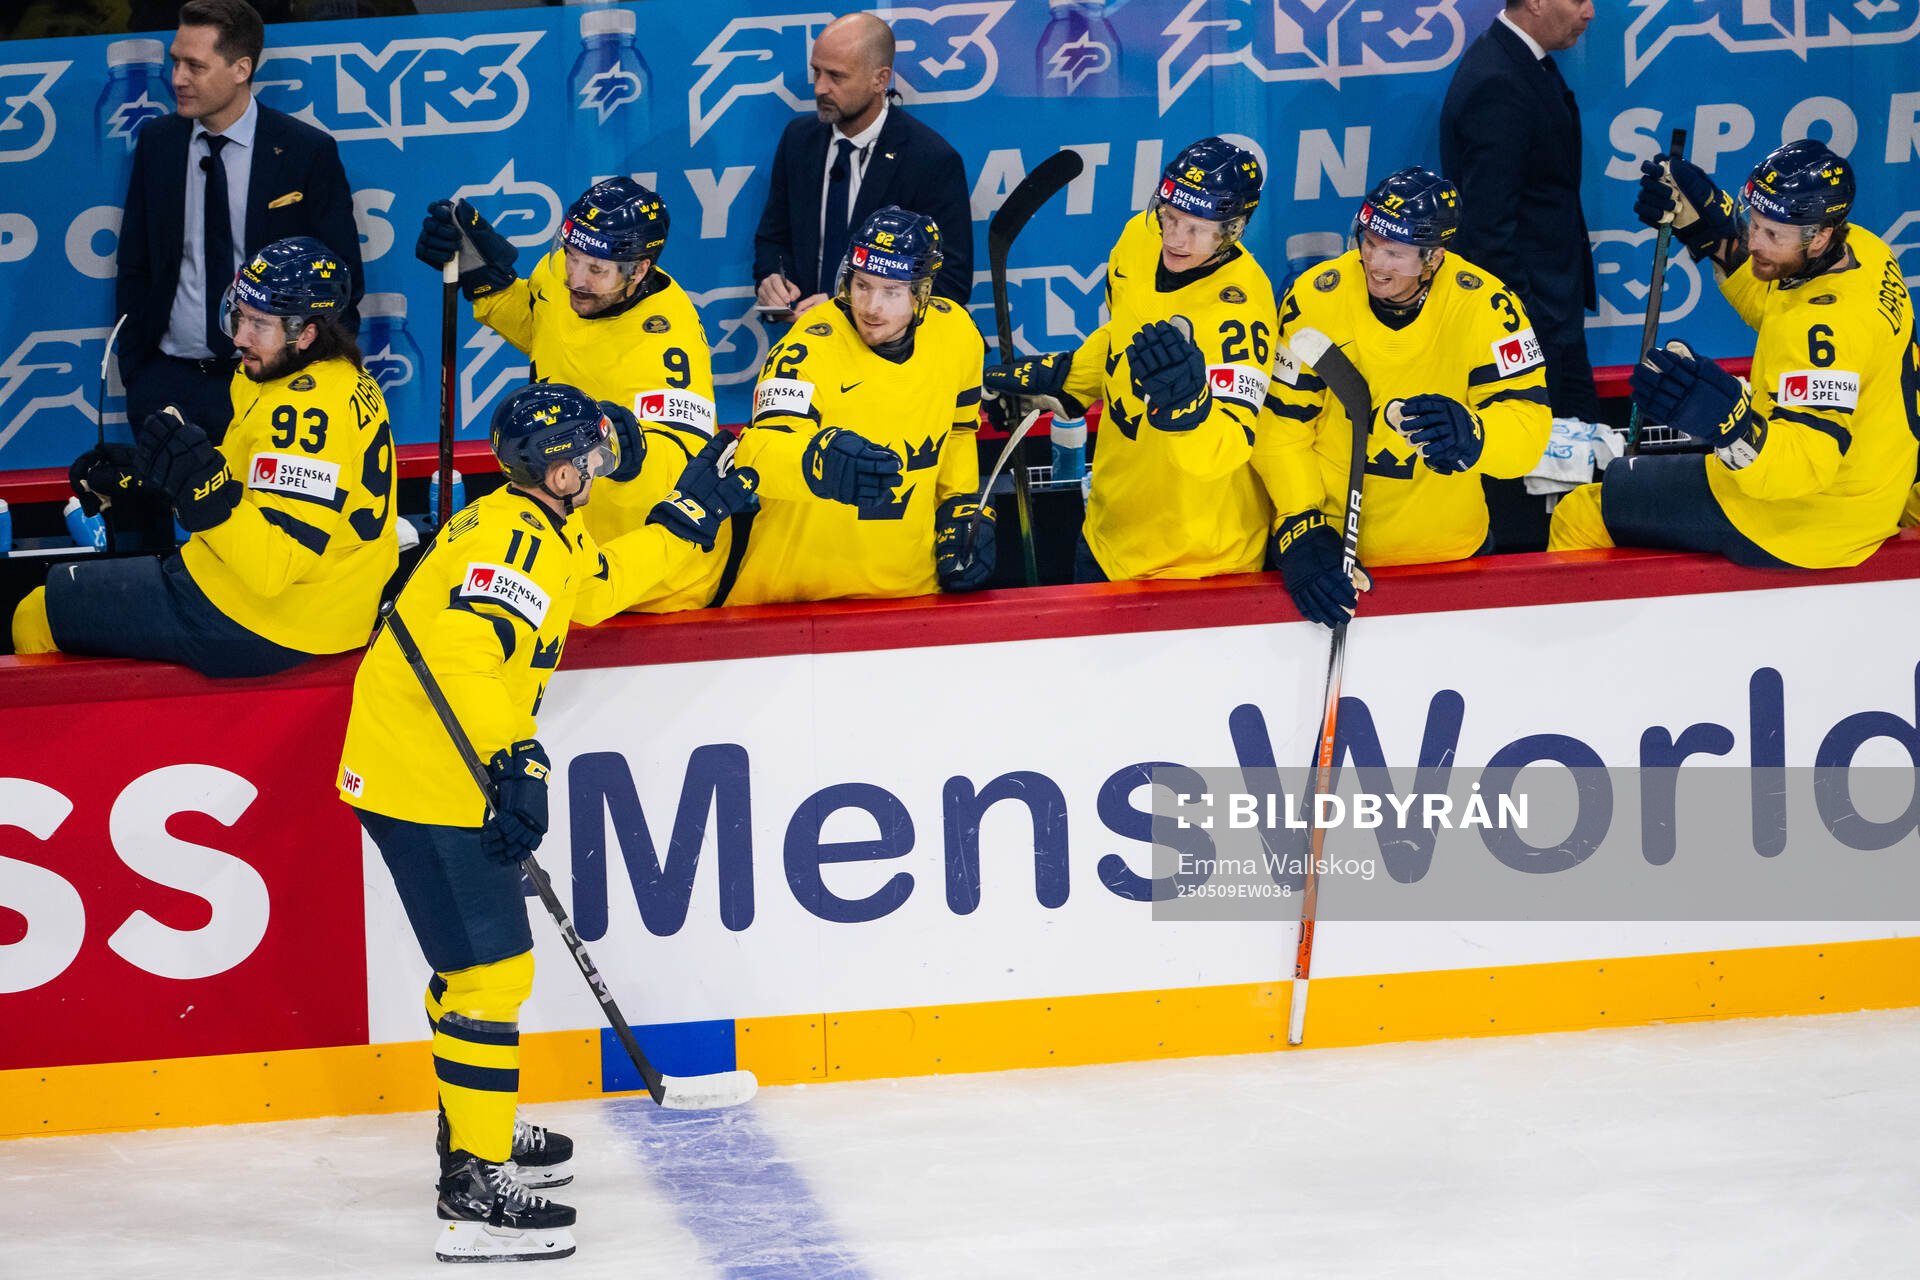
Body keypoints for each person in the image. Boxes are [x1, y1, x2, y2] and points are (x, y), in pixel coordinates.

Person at [337, 382, 756, 1263]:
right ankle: (473, 1192)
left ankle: (473, 1126)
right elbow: (463, 653)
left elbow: (594, 587)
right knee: (490, 974)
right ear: (558, 468)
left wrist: (686, 518)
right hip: (429, 776)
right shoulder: (515, 539)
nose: (602, 465)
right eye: (591, 455)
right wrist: (518, 759)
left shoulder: (537, 526)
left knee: (474, 971)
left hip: (428, 764)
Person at [13, 237, 396, 674]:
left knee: (35, 613)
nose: (240, 337)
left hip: (269, 619)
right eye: (239, 315)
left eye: (259, 324)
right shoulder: (335, 375)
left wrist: (203, 496)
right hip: (325, 606)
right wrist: (149, 473)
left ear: (306, 333)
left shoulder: (303, 412)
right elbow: (260, 478)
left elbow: (274, 564)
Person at [1548, 140, 1920, 569]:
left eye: (1772, 235)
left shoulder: (1824, 331)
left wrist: (1731, 425)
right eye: (1753, 222)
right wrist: (1716, 236)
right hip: (1871, 487)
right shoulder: (1866, 251)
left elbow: (1804, 466)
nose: (1754, 241)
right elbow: (1777, 310)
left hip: (1804, 519)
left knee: (1582, 512)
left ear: (1819, 237)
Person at [415, 177, 735, 612]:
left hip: (651, 582)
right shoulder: (563, 277)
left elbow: (686, 462)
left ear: (639, 270)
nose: (575, 279)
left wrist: (630, 450)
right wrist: (486, 282)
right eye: (571, 256)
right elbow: (543, 329)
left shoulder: (666, 346)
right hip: (575, 558)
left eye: (596, 270)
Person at [1264, 168, 1553, 627]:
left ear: (1434, 256)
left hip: (1453, 556)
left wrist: (1476, 434)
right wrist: (1300, 524)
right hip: (1336, 554)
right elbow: (1281, 425)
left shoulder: (1488, 306)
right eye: (1370, 242)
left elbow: (1529, 431)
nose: (1376, 263)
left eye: (1395, 253)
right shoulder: (1314, 297)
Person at [982, 137, 1277, 584]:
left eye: (1195, 228)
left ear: (1232, 229)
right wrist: (1067, 382)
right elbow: (1122, 334)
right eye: (1169, 216)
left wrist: (1190, 410)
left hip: (1198, 562)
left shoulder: (1241, 311)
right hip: (1109, 537)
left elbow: (1229, 447)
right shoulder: (1139, 237)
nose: (1174, 238)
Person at [116, 0, 362, 441]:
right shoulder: (158, 143)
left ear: (240, 69)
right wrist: (140, 375)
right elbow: (136, 263)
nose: (178, 79)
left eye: (195, 66)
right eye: (175, 62)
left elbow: (341, 278)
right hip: (168, 385)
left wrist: (310, 381)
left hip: (275, 388)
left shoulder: (306, 152)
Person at [731, 206, 990, 604]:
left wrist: (958, 503)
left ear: (921, 293)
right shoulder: (806, 347)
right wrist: (818, 460)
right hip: (795, 596)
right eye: (863, 285)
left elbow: (958, 430)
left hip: (911, 591)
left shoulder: (957, 333)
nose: (871, 307)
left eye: (891, 292)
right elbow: (758, 453)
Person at [752, 11, 973, 317]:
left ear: (880, 79)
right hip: (806, 336)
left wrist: (845, 305)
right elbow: (773, 238)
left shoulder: (930, 160)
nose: (819, 88)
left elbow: (950, 283)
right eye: (817, 72)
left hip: (885, 344)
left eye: (836, 76)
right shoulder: (798, 141)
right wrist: (773, 278)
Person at [1439, 0, 1600, 421]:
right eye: (1578, 0)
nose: (1589, 12)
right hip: (1534, 321)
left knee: (1585, 449)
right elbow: (1487, 228)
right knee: (1548, 452)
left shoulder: (1523, 63)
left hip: (1553, 313)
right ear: (1536, 2)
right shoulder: (1497, 81)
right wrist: (1528, 321)